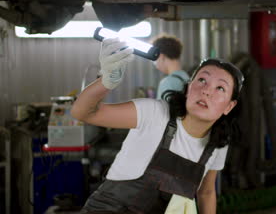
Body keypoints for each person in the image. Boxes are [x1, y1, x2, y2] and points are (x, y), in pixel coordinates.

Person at [71, 37, 244, 214]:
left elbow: (206, 192)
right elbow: (83, 113)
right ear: (188, 87)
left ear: (229, 106)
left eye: (220, 88)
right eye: (201, 80)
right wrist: (106, 82)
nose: (207, 90)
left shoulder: (218, 143)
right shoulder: (155, 113)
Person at [151, 33, 190, 99]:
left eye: (155, 59)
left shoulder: (166, 83)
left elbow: (161, 109)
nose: (156, 65)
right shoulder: (187, 78)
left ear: (161, 56)